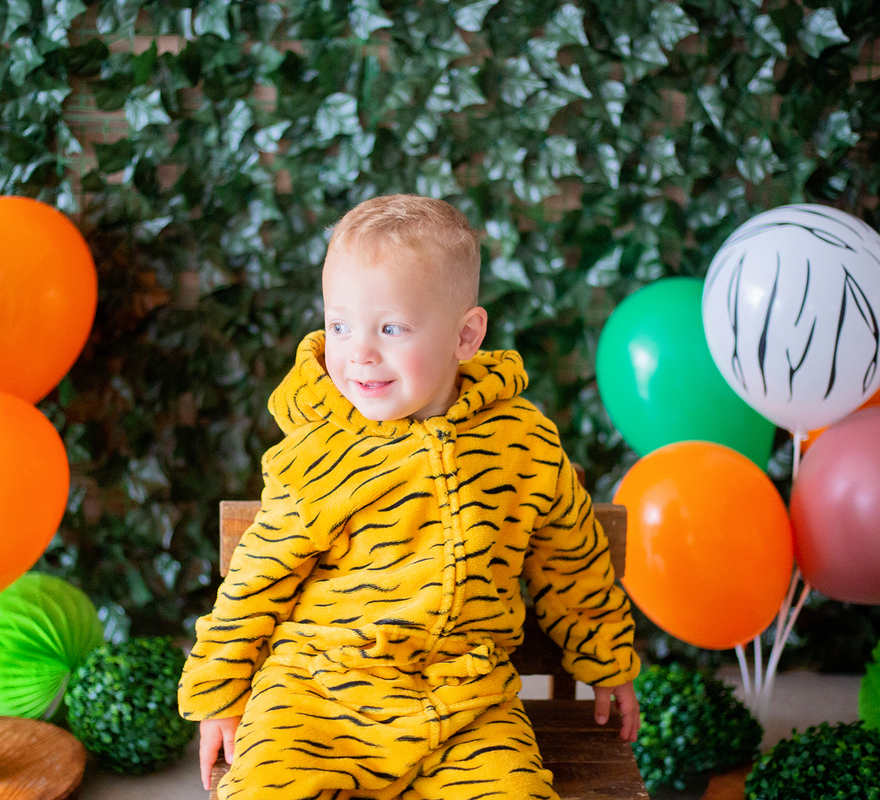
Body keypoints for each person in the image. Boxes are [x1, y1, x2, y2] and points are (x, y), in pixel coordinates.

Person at [178, 194, 641, 799]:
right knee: (268, 787)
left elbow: (572, 560)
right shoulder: (321, 449)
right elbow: (257, 576)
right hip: (318, 689)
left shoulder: (522, 445)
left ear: (465, 335)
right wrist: (220, 691)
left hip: (466, 698)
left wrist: (606, 662)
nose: (360, 352)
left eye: (391, 328)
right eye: (340, 325)